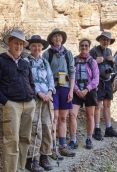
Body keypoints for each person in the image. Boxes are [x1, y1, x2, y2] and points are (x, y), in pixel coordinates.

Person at [0, 30, 36, 172]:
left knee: (25, 139)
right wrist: (6, 103)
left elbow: (31, 82)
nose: (19, 46)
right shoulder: (0, 62)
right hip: (12, 105)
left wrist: (33, 98)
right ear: (9, 43)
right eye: (16, 43)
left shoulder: (25, 63)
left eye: (21, 44)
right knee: (12, 140)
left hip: (28, 104)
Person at [24, 35, 55, 172]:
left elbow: (50, 79)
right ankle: (32, 158)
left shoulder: (45, 62)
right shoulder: (25, 62)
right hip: (34, 98)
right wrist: (39, 93)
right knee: (35, 127)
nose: (36, 48)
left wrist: (49, 92)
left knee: (47, 126)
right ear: (30, 47)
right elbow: (28, 80)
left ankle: (45, 156)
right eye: (34, 46)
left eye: (39, 46)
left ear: (42, 48)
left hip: (47, 99)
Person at [42, 28, 75, 157]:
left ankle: (63, 146)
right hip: (53, 88)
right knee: (54, 118)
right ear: (51, 39)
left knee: (63, 117)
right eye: (55, 36)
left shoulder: (68, 54)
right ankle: (52, 147)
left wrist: (71, 90)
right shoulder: (47, 54)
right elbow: (45, 72)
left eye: (59, 36)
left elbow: (72, 72)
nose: (57, 38)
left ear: (62, 39)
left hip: (66, 87)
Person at [89, 31, 117, 140]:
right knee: (98, 106)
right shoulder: (93, 50)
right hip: (97, 82)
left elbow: (111, 66)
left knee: (107, 105)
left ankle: (108, 128)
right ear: (100, 40)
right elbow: (86, 64)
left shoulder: (109, 50)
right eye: (103, 39)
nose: (105, 41)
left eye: (107, 40)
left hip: (107, 80)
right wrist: (95, 61)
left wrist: (113, 61)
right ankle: (97, 129)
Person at [68, 38, 99, 149]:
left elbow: (96, 79)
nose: (84, 47)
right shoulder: (74, 60)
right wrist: (76, 89)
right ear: (79, 46)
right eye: (82, 45)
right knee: (72, 115)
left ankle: (89, 138)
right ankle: (73, 140)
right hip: (76, 91)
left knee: (90, 115)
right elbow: (70, 76)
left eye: (86, 45)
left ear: (89, 47)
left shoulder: (93, 62)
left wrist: (86, 89)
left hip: (89, 91)